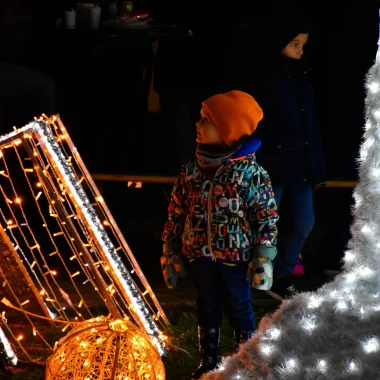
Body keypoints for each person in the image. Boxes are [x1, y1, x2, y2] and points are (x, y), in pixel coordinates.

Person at [160, 90, 279, 379]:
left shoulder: (251, 173)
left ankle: (245, 361)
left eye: (206, 121)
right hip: (199, 254)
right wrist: (171, 248)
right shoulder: (191, 170)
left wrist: (263, 254)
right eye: (200, 119)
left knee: (240, 305)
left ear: (228, 130)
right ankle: (208, 361)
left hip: (235, 257)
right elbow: (177, 210)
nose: (197, 125)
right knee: (207, 304)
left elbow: (265, 214)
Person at [241, 8, 326, 284]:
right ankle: (258, 277)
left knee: (304, 221)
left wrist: (316, 168)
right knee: (266, 223)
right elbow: (257, 125)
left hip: (300, 165)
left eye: (303, 45)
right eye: (294, 44)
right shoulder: (264, 81)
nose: (300, 51)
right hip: (272, 164)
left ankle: (285, 271)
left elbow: (310, 127)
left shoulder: (303, 78)